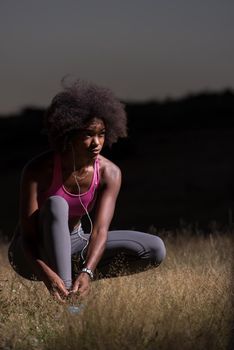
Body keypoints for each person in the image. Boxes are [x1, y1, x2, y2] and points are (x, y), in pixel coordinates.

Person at [8, 79, 166, 302]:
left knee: (154, 249)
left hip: (76, 243)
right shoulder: (38, 170)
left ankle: (75, 282)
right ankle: (71, 307)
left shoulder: (110, 173)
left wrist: (88, 271)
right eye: (88, 134)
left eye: (101, 134)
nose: (96, 143)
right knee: (56, 204)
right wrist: (48, 277)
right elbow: (28, 239)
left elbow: (99, 231)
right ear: (68, 133)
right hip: (31, 254)